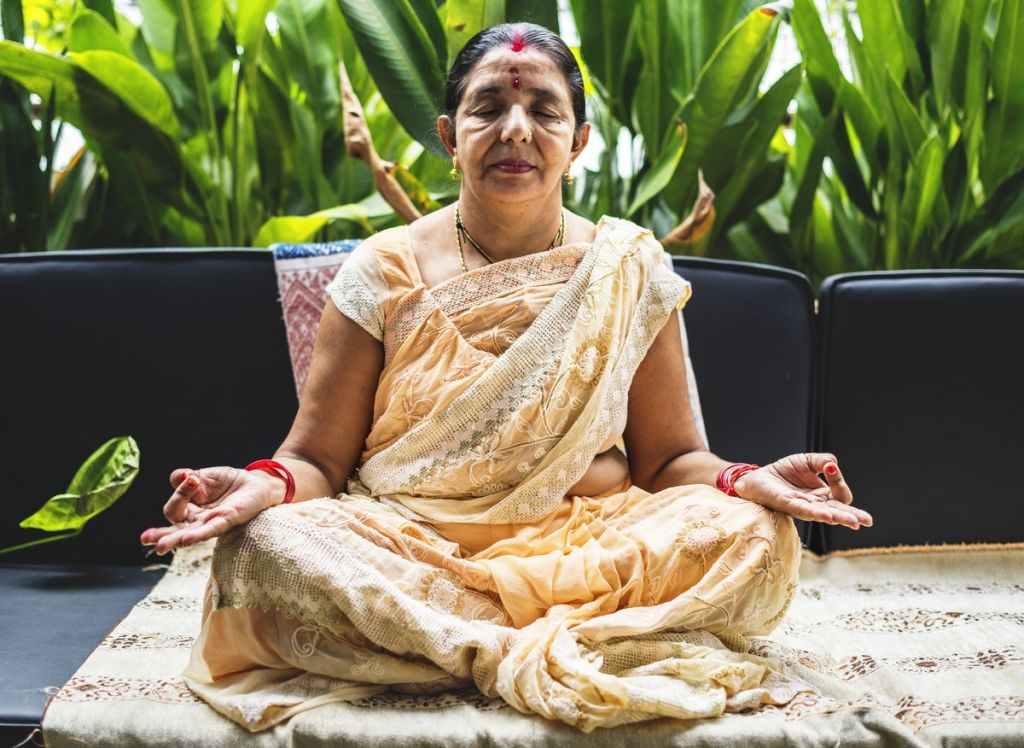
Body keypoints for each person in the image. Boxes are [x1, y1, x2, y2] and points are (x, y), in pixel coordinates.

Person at [141, 22, 872, 733]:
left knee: (752, 532)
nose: (516, 129)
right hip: (410, 541)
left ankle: (441, 642)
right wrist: (262, 483)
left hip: (587, 545)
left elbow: (669, 459)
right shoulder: (385, 267)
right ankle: (567, 640)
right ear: (449, 136)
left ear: (578, 141)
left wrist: (747, 481)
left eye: (544, 110)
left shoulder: (629, 267)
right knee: (265, 545)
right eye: (488, 107)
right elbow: (317, 460)